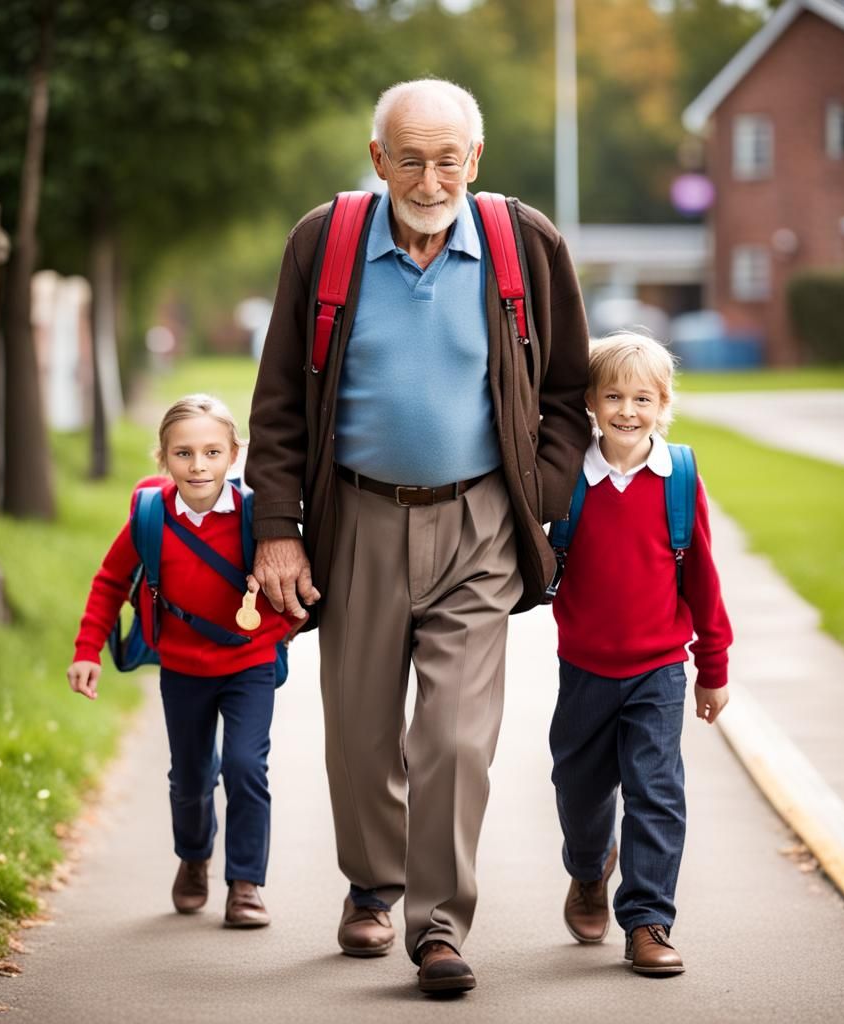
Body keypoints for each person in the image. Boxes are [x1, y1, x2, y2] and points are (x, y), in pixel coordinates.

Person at [246, 78, 590, 993]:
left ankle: (437, 928)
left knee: (456, 738)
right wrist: (277, 530)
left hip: (478, 523)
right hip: (354, 516)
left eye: (448, 159)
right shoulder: (325, 243)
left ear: (473, 161)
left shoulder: (526, 244)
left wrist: (535, 499)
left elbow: (566, 397)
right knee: (361, 735)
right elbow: (279, 401)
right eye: (411, 159)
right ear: (378, 162)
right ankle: (373, 883)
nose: (430, 178)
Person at [67, 394, 298, 928]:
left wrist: (278, 630)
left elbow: (294, 584)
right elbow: (108, 581)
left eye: (213, 452)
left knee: (246, 768)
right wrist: (87, 651)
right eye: (184, 454)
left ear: (234, 455)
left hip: (249, 665)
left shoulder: (256, 516)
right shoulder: (150, 518)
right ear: (163, 458)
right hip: (184, 671)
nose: (199, 466)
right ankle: (193, 858)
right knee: (190, 779)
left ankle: (245, 885)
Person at [549, 332, 732, 975]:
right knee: (579, 786)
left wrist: (714, 667)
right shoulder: (570, 476)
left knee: (656, 790)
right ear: (592, 403)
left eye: (643, 398)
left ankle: (648, 920)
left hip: (658, 669)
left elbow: (703, 579)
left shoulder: (678, 477)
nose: (628, 410)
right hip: (584, 669)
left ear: (664, 404)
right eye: (614, 396)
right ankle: (590, 868)